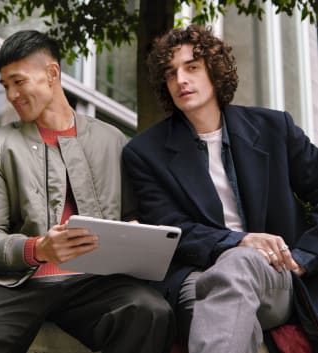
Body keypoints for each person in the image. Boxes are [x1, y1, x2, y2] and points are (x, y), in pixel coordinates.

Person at [0, 30, 175, 353]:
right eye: (5, 86)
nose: (11, 94)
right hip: (14, 284)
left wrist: (135, 231)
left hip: (96, 283)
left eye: (18, 82)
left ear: (52, 74)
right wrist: (38, 248)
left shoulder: (112, 141)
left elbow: (132, 216)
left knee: (150, 312)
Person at [122, 24, 318, 353]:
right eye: (170, 73)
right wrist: (238, 241)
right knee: (225, 308)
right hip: (195, 275)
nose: (180, 80)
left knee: (240, 266)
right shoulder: (144, 153)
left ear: (215, 70)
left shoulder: (274, 128)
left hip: (275, 277)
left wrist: (303, 256)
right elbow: (170, 228)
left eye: (192, 67)